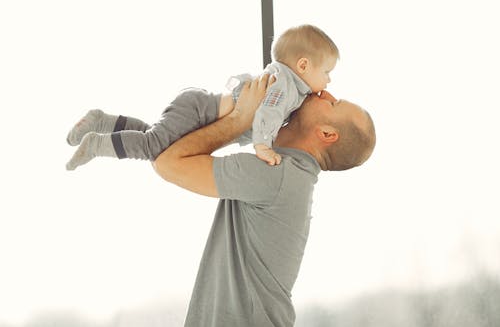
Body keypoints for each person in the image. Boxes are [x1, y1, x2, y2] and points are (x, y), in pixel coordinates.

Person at [152, 75, 376, 326]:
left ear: (326, 133)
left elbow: (166, 162)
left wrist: (240, 119)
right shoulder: (289, 176)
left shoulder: (276, 173)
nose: (326, 93)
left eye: (335, 104)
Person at [65, 24, 339, 170]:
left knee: (153, 137)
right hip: (200, 112)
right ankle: (96, 145)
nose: (328, 79)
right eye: (327, 72)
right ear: (303, 65)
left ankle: (103, 122)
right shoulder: (283, 86)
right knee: (152, 147)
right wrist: (262, 146)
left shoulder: (289, 85)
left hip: (197, 107)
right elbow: (267, 114)